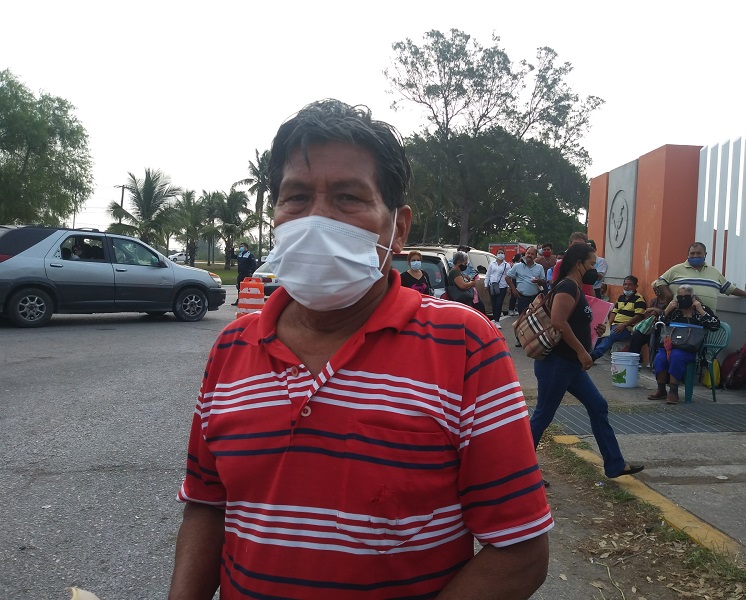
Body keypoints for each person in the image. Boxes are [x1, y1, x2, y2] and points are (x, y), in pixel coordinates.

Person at [169, 99, 551, 600]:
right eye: (296, 197)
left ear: (399, 229)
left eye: (348, 198)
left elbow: (520, 552)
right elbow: (207, 505)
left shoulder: (463, 344)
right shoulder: (230, 346)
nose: (316, 219)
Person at [528, 243, 644, 481]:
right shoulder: (567, 286)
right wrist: (582, 352)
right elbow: (559, 321)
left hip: (570, 366)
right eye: (591, 264)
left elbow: (574, 321)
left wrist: (595, 329)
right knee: (543, 415)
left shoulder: (576, 287)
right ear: (578, 264)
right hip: (557, 364)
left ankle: (615, 464)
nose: (595, 269)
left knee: (598, 405)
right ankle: (521, 472)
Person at [648, 284, 720, 404]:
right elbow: (658, 325)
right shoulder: (674, 310)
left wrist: (701, 310)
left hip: (691, 348)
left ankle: (673, 391)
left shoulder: (701, 309)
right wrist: (667, 310)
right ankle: (661, 389)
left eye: (686, 296)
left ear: (693, 297)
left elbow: (715, 326)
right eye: (680, 297)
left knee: (676, 356)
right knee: (660, 357)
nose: (683, 299)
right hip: (671, 345)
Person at [657, 242, 746, 312]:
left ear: (705, 254)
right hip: (680, 318)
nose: (695, 256)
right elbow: (660, 282)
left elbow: (729, 288)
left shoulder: (714, 272)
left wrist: (745, 294)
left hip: (706, 320)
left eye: (698, 253)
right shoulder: (676, 269)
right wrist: (669, 295)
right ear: (688, 255)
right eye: (692, 253)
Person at [589, 275, 647, 361]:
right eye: (625, 284)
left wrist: (624, 325)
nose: (627, 287)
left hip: (627, 328)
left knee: (610, 336)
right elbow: (614, 312)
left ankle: (594, 355)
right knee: (599, 332)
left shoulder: (639, 299)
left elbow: (638, 316)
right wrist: (608, 325)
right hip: (614, 325)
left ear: (636, 286)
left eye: (630, 285)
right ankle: (588, 353)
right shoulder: (621, 297)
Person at [628, 279, 669, 363]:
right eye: (654, 289)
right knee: (637, 335)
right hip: (650, 327)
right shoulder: (654, 301)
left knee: (657, 339)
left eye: (657, 289)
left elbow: (666, 314)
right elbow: (647, 315)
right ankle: (633, 359)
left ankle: (655, 363)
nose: (656, 291)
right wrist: (651, 313)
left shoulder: (669, 301)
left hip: (662, 328)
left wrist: (655, 310)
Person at [486, 250, 510, 327]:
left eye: (502, 253)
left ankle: (497, 320)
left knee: (499, 303)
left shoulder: (507, 265)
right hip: (492, 285)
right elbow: (488, 274)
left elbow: (508, 276)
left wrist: (509, 287)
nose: (500, 254)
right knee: (493, 303)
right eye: (499, 253)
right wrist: (486, 284)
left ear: (504, 255)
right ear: (496, 254)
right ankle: (494, 318)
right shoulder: (492, 264)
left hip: (502, 286)